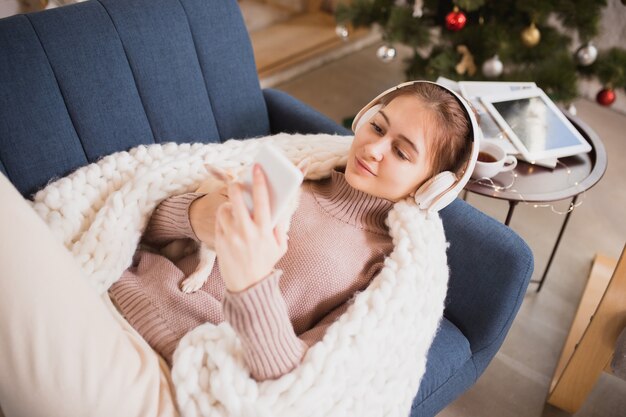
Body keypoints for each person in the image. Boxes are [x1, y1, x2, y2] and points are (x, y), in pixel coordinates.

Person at [0, 81, 476, 417]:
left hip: (170, 380)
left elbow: (295, 389)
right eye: (378, 127)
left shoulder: (382, 267)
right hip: (103, 289)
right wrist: (197, 215)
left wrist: (252, 282)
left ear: (431, 187)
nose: (374, 149)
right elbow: (139, 221)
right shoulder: (298, 167)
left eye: (402, 151)